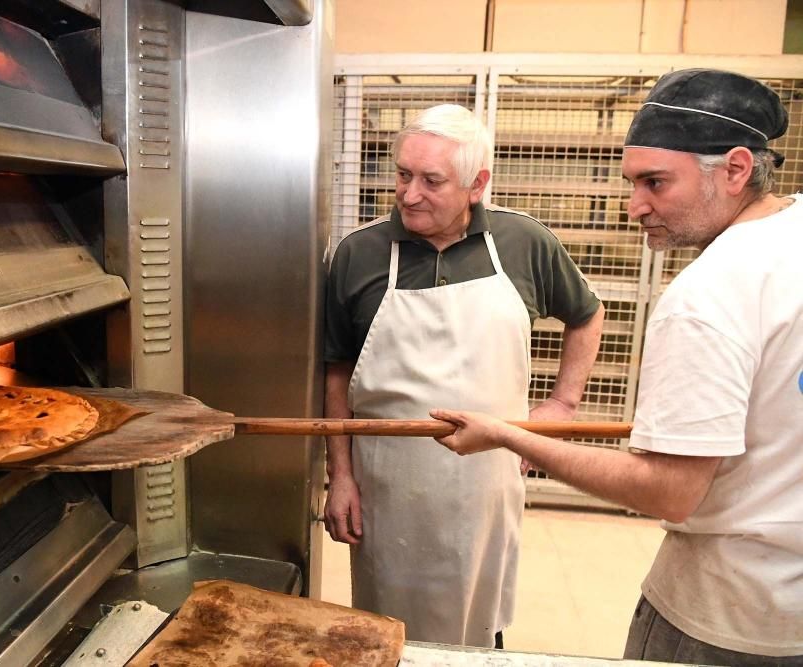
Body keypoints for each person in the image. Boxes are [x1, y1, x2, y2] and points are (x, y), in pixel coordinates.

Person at [431, 69, 803, 665]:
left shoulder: (710, 296)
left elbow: (669, 491)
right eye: (632, 182)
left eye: (656, 183)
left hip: (725, 616)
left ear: (736, 169)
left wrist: (508, 433)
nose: (635, 207)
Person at [323, 103, 605, 647]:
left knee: (478, 620)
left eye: (431, 181)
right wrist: (341, 475)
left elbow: (587, 315)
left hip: (487, 478)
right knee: (390, 629)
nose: (409, 195)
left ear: (477, 184)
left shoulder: (524, 243)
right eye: (403, 175)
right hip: (389, 481)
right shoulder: (360, 254)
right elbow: (337, 371)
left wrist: (562, 404)